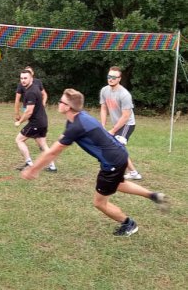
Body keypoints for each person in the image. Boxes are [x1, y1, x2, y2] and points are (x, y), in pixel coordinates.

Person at [21, 88, 168, 237]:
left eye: (61, 101)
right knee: (119, 184)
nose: (58, 103)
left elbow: (53, 152)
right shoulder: (78, 118)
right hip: (120, 156)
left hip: (111, 163)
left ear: (68, 107)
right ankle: (153, 195)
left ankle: (129, 224)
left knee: (99, 203)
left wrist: (33, 169)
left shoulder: (76, 126)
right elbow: (61, 141)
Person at [100, 66, 141, 180]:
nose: (111, 79)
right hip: (118, 124)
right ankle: (133, 173)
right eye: (109, 76)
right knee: (118, 148)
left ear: (119, 79)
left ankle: (118, 172)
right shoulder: (104, 90)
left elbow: (126, 116)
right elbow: (103, 108)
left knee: (116, 147)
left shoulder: (124, 94)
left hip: (127, 124)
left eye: (114, 77)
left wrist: (113, 130)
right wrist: (102, 125)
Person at [14, 69, 57, 172]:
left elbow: (29, 112)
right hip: (43, 121)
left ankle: (29, 163)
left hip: (36, 123)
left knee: (19, 140)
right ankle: (52, 166)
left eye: (25, 78)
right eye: (21, 78)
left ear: (31, 78)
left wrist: (19, 122)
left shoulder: (31, 92)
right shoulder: (33, 88)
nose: (23, 80)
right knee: (43, 145)